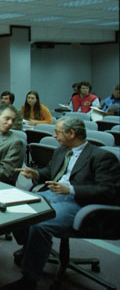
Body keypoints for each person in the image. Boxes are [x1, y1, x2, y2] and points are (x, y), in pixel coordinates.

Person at [7, 117, 120, 289]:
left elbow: (108, 191)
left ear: (71, 133)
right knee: (18, 209)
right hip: (53, 194)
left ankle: (29, 280)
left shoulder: (102, 157)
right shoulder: (61, 151)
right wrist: (36, 174)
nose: (54, 135)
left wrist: (72, 190)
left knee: (40, 225)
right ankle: (31, 247)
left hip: (79, 202)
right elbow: (50, 172)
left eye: (57, 132)